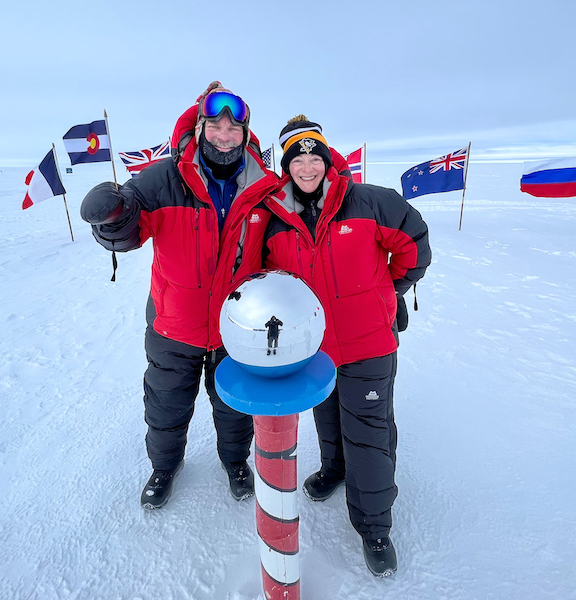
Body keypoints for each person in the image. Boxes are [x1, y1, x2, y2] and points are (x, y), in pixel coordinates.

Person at [79, 83, 281, 509]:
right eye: (215, 126)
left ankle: (235, 462)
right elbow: (130, 229)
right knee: (166, 406)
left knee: (234, 408)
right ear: (200, 127)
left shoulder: (265, 187)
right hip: (173, 326)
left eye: (234, 128)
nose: (224, 135)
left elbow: (292, 243)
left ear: (245, 134)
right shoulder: (163, 179)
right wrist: (111, 219)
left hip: (236, 326)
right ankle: (164, 467)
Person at [260, 116, 431, 577]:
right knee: (327, 415)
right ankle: (334, 469)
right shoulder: (275, 218)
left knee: (368, 432)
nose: (307, 166)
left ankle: (374, 527)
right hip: (314, 347)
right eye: (297, 159)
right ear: (286, 166)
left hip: (369, 343)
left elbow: (414, 245)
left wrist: (388, 291)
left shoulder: (370, 201)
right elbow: (267, 278)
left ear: (327, 159)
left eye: (314, 156)